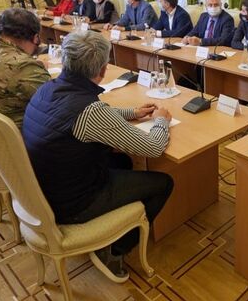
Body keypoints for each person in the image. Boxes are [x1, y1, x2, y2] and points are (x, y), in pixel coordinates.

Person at [22, 30, 174, 280]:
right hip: (71, 204)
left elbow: (95, 116)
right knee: (164, 183)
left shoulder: (48, 87)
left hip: (43, 188)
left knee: (123, 160)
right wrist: (161, 121)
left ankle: (115, 222)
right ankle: (115, 250)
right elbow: (153, 147)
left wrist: (132, 113)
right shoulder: (89, 112)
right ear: (102, 70)